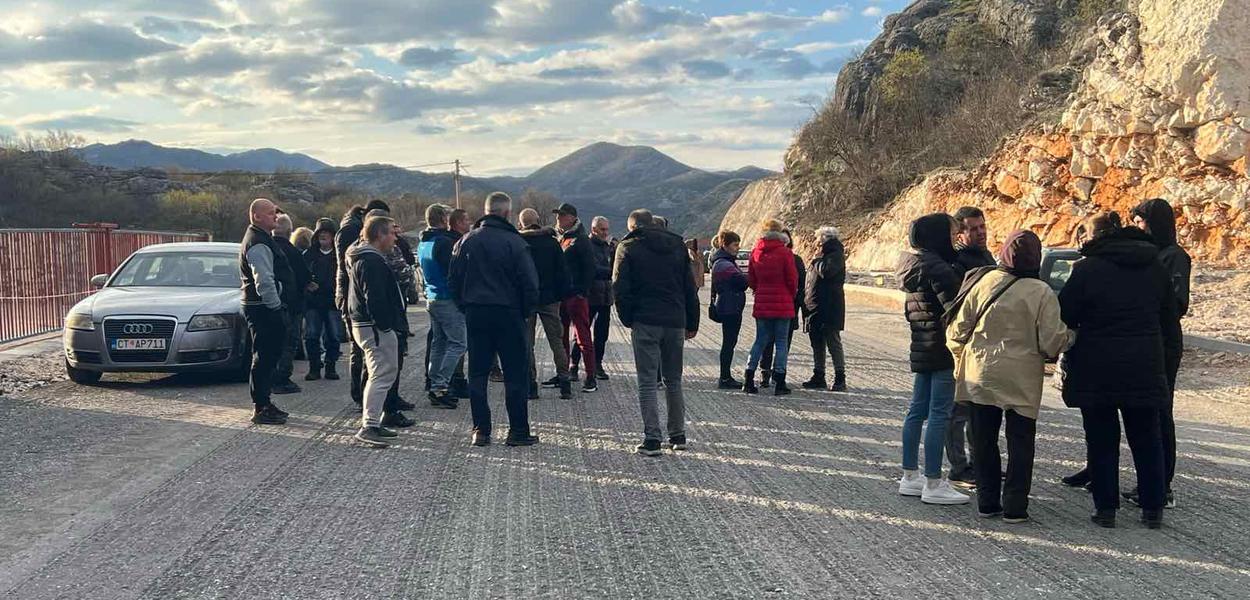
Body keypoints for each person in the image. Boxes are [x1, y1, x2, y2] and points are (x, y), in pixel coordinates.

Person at [946, 230, 1075, 523]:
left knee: (983, 440)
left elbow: (956, 331)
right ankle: (1016, 506)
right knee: (1020, 442)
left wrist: (961, 362)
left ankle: (987, 502)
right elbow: (1052, 341)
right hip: (1022, 377)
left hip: (981, 373)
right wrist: (1069, 338)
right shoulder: (1041, 292)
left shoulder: (984, 281)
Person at [1059, 220, 1179, 529]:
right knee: (1147, 438)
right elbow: (1170, 319)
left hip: (1097, 367)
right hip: (1144, 365)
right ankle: (1153, 508)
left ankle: (1106, 508)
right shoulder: (1155, 268)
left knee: (1101, 440)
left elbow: (1065, 314)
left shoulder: (1087, 269)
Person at [449, 192, 541, 447]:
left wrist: (465, 307)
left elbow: (453, 281)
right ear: (507, 213)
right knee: (515, 373)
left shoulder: (465, 241)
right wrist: (524, 311)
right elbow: (530, 284)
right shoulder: (515, 243)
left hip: (476, 312)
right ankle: (518, 431)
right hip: (509, 312)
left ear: (486, 211)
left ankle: (481, 429)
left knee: (477, 373)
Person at [895, 213, 969, 505]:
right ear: (939, 236)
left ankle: (910, 476)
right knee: (940, 414)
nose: (956, 240)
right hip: (942, 348)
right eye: (952, 234)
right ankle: (934, 482)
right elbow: (955, 310)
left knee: (917, 411)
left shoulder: (913, 267)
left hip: (921, 346)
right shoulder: (939, 268)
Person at [613, 209, 699, 456]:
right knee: (674, 379)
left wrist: (628, 318)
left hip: (645, 320)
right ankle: (678, 434)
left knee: (648, 381)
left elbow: (619, 287)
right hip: (675, 319)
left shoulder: (627, 247)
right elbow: (689, 287)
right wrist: (692, 322)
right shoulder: (677, 245)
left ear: (633, 226)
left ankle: (652, 439)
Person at [1126, 198, 1191, 509]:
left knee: (1161, 413)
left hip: (1164, 344)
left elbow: (1177, 303)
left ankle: (1163, 485)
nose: (1139, 228)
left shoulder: (1175, 257)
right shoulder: (1147, 255)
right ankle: (1148, 482)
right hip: (1143, 341)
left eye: (1141, 222)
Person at [346, 215, 406, 448]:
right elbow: (375, 299)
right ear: (379, 235)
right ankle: (369, 425)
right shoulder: (371, 262)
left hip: (367, 325)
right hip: (374, 327)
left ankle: (373, 422)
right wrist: (385, 325)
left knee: (381, 373)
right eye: (391, 232)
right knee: (381, 373)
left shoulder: (366, 258)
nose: (394, 237)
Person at [947, 206, 996, 487]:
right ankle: (959, 466)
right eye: (973, 229)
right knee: (958, 412)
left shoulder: (986, 257)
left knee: (979, 409)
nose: (980, 232)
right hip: (963, 345)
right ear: (960, 233)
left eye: (982, 227)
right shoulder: (959, 263)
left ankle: (980, 463)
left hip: (984, 346)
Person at [239, 198, 292, 425]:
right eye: (271, 213)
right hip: (263, 309)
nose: (276, 216)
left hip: (265, 307)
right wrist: (276, 308)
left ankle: (265, 402)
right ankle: (261, 406)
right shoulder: (258, 242)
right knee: (264, 357)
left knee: (269, 356)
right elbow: (264, 281)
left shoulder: (263, 239)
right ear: (257, 216)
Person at [518, 208, 574, 400]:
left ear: (521, 223)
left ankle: (531, 385)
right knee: (556, 341)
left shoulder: (519, 243)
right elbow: (562, 271)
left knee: (527, 343)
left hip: (526, 299)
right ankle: (565, 382)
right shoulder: (551, 243)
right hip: (550, 298)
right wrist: (561, 295)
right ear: (538, 221)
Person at [741, 219, 798, 395]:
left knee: (760, 340)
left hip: (762, 302)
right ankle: (779, 381)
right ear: (780, 233)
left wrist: (760, 290)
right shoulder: (785, 253)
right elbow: (792, 279)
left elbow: (751, 279)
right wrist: (790, 294)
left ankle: (748, 378)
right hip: (783, 302)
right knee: (781, 342)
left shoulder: (756, 252)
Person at [417, 203, 465, 410]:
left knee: (439, 343)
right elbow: (454, 271)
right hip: (447, 298)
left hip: (432, 296)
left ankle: (434, 384)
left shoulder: (423, 243)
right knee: (458, 344)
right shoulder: (444, 243)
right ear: (444, 220)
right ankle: (440, 386)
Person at [553, 203, 598, 393]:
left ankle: (590, 376)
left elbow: (590, 268)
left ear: (572, 217)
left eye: (562, 215)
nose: (558, 219)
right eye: (558, 215)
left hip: (576, 296)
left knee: (583, 336)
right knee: (561, 336)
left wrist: (581, 291)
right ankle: (563, 372)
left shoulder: (580, 239)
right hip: (563, 295)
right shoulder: (563, 237)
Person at [802, 226, 848, 392]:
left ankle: (840, 377)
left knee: (833, 342)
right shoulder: (825, 254)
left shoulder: (835, 254)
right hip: (815, 306)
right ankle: (818, 375)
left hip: (829, 306)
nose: (816, 242)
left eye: (818, 239)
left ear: (825, 239)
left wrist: (817, 261)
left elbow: (827, 272)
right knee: (817, 343)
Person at [759, 230, 805, 389]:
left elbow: (754, 280)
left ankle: (764, 373)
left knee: (767, 340)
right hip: (786, 307)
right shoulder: (794, 259)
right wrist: (793, 300)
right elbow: (797, 285)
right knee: (781, 343)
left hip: (768, 307)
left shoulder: (762, 256)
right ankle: (778, 376)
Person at [336, 203, 369, 405]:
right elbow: (348, 268)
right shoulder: (350, 232)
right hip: (350, 294)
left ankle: (360, 393)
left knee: (358, 349)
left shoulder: (346, 229)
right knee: (358, 349)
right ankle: (359, 394)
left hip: (346, 292)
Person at [271, 212, 307, 395]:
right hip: (291, 305)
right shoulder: (293, 253)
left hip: (270, 304)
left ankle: (270, 377)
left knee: (272, 343)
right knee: (289, 342)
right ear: (289, 231)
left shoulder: (265, 248)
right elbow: (304, 278)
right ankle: (282, 379)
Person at [303, 219, 341, 381]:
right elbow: (300, 275)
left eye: (327, 232)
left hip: (333, 302)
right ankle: (314, 367)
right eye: (320, 233)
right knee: (311, 335)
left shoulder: (340, 255)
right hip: (313, 303)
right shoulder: (309, 255)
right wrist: (307, 285)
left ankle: (330, 367)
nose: (323, 235)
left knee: (334, 336)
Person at [709, 231, 748, 389]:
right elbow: (741, 282)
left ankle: (725, 376)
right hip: (729, 307)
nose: (737, 248)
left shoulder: (722, 261)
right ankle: (725, 378)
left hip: (729, 305)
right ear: (725, 245)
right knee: (729, 343)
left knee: (729, 342)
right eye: (735, 244)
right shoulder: (724, 264)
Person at [580, 216, 615, 381]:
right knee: (582, 333)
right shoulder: (587, 246)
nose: (605, 233)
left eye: (607, 229)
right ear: (594, 229)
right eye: (602, 229)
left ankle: (598, 364)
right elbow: (593, 269)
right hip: (590, 296)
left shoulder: (608, 247)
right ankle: (574, 363)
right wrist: (613, 273)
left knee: (602, 334)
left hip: (606, 297)